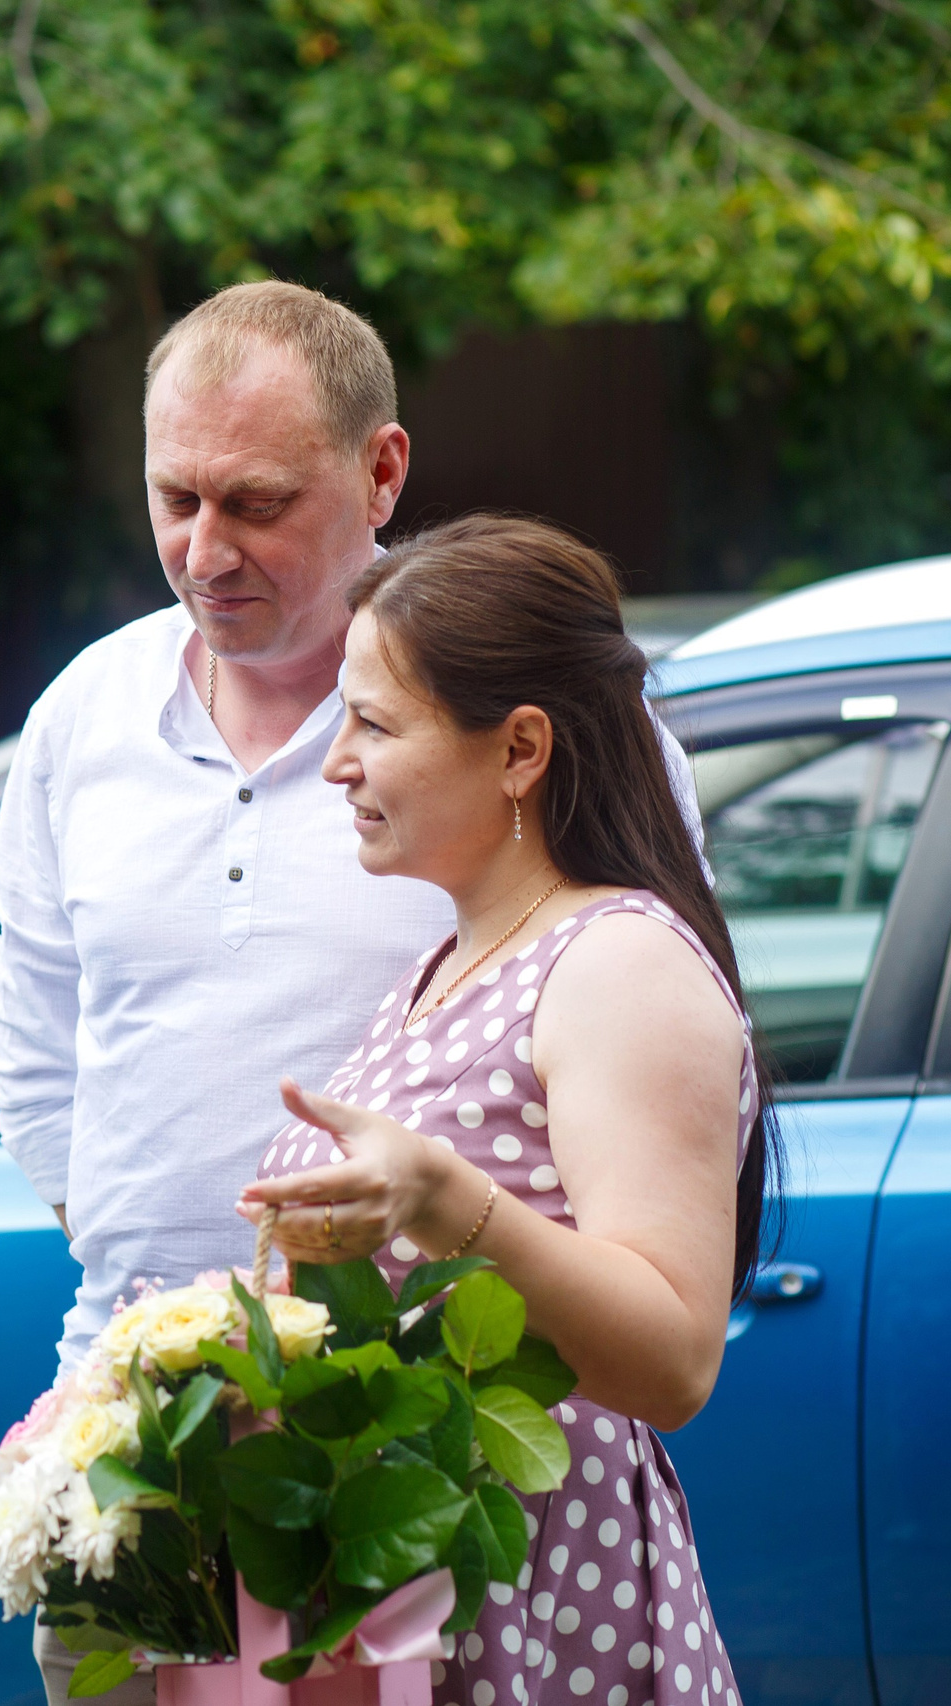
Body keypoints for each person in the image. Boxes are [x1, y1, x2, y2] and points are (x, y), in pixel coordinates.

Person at [0, 279, 706, 1705]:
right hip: (141, 1433)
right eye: (173, 496)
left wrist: (382, 1290)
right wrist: (195, 1327)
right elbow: (40, 1067)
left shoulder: (574, 870)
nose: (205, 548)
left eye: (255, 501)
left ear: (383, 472)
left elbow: (649, 1246)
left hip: (403, 1469)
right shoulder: (85, 714)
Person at [245, 515, 761, 1706]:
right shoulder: (450, 958)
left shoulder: (617, 962)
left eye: (373, 723)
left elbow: (675, 1356)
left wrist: (441, 1197)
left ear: (519, 746)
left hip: (531, 1592)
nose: (336, 762)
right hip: (416, 1595)